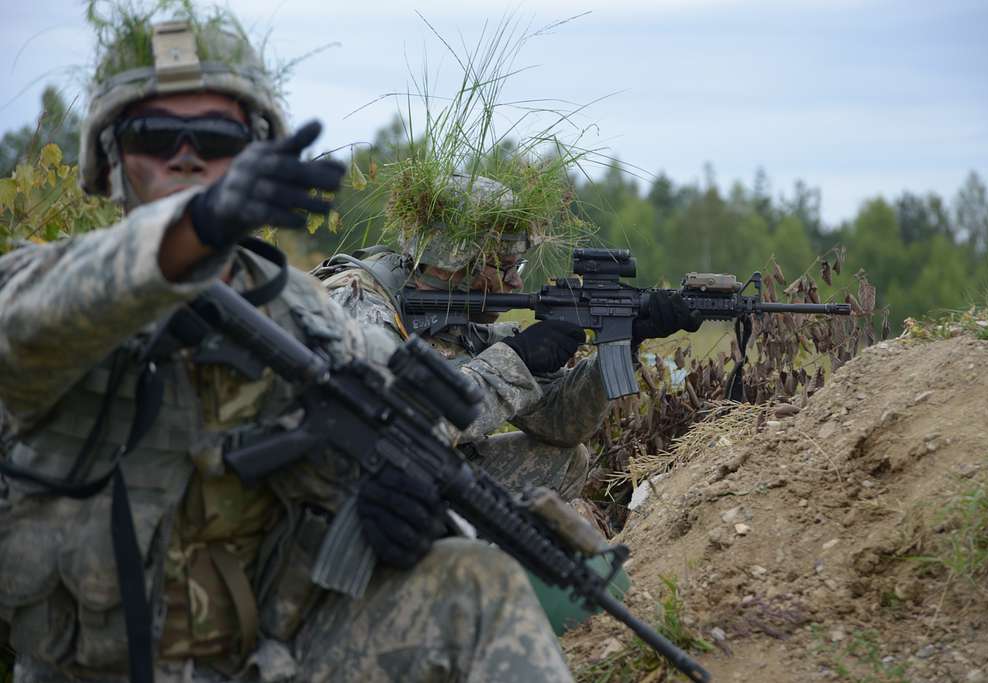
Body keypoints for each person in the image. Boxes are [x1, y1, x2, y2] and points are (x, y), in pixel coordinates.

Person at [0, 12, 572, 683]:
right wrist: (195, 226)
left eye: (215, 137)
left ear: (251, 153)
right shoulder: (44, 295)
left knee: (476, 582)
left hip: (271, 661)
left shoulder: (302, 312)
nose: (186, 155)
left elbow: (416, 424)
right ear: (111, 160)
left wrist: (395, 511)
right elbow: (28, 320)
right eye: (155, 134)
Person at [314, 172, 703, 502]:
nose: (515, 281)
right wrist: (514, 360)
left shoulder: (450, 316)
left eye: (516, 265)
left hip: (412, 476)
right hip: (350, 489)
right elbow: (398, 426)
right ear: (453, 264)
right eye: (500, 266)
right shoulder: (360, 302)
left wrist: (620, 341)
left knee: (566, 461)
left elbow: (561, 424)